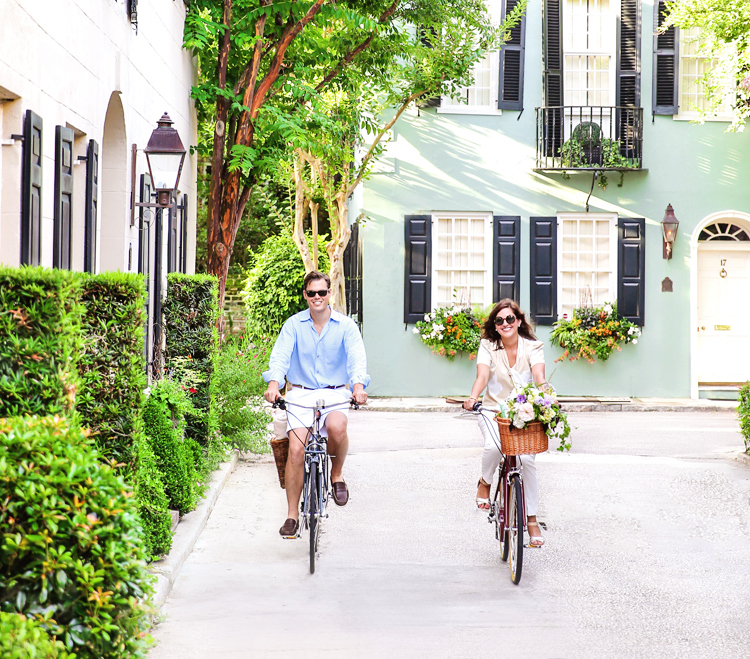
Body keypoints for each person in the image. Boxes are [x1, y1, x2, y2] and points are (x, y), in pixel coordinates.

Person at [263, 271, 369, 538]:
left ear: (329, 293)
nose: (317, 298)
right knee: (297, 450)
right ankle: (291, 515)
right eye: (312, 293)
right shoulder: (293, 325)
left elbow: (357, 359)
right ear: (305, 295)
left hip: (335, 393)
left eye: (322, 292)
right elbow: (280, 357)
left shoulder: (346, 326)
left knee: (336, 428)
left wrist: (358, 386)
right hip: (300, 393)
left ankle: (336, 475)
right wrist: (274, 384)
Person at [462, 299, 548, 547]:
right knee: (492, 447)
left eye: (510, 318)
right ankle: (485, 482)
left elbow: (540, 377)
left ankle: (531, 520)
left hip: (523, 410)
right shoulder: (488, 345)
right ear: (495, 326)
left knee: (527, 461)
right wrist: (472, 398)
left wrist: (547, 397)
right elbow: (482, 375)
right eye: (499, 320)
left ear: (519, 321)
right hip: (492, 409)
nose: (505, 323)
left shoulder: (533, 346)